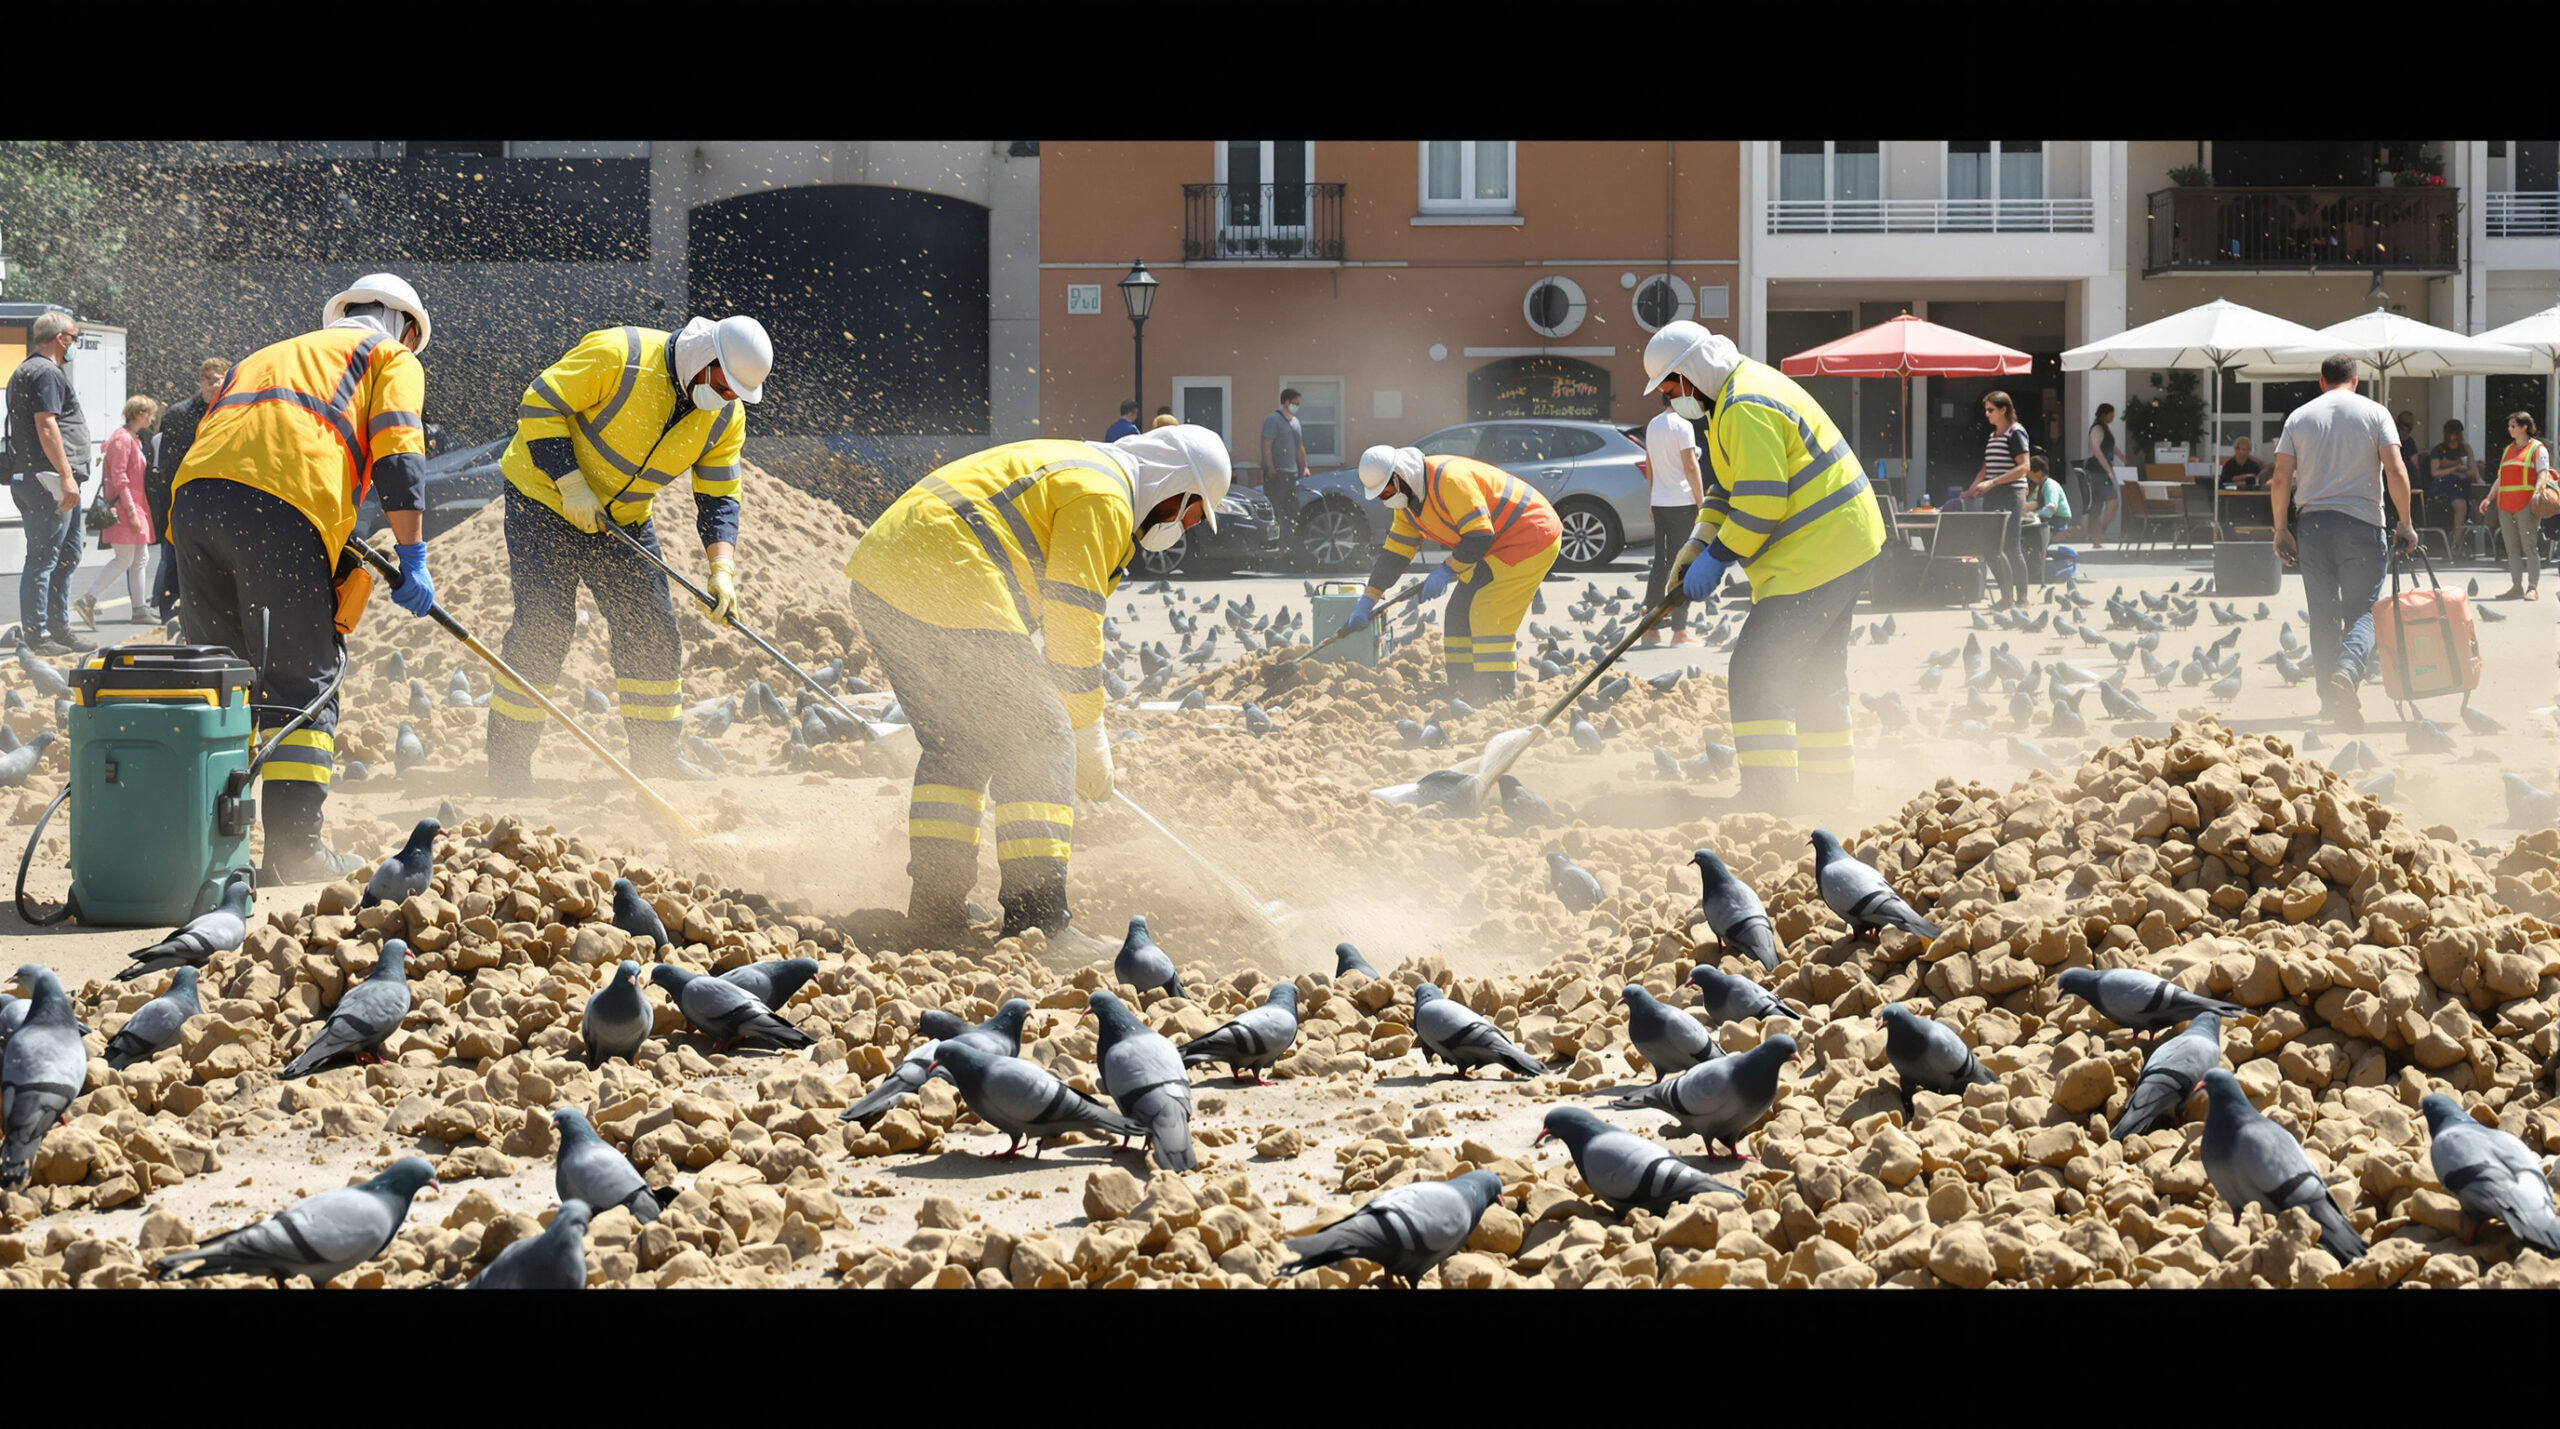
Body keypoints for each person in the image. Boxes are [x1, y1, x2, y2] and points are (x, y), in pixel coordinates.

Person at [843, 425, 1231, 948]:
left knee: (957, 745)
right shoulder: (1105, 497)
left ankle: (935, 908)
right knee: (1040, 740)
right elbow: (1073, 623)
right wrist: (1086, 735)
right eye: (1193, 513)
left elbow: (1056, 621)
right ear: (1174, 486)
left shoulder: (1085, 470)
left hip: (884, 575)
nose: (1187, 526)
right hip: (949, 575)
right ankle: (1039, 920)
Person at [169, 272, 441, 882]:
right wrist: (413, 554)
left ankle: (207, 849)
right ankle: (295, 854)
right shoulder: (386, 355)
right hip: (281, 505)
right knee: (301, 679)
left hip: (195, 505)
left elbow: (239, 445)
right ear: (407, 327)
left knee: (221, 677)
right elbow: (399, 452)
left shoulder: (267, 354)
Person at [485, 315, 772, 794]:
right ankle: (508, 766)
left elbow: (720, 495)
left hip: (623, 519)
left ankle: (658, 758)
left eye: (737, 395)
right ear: (705, 359)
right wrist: (571, 484)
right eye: (724, 387)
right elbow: (538, 403)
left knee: (653, 627)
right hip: (542, 497)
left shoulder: (725, 415)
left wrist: (722, 571)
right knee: (545, 625)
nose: (727, 399)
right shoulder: (620, 355)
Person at [1640, 320, 1885, 808]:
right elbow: (1727, 490)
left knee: (1756, 669)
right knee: (1818, 673)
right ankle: (1828, 793)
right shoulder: (1734, 397)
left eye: (1671, 387)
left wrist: (1719, 557)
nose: (1670, 400)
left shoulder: (1745, 405)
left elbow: (1761, 503)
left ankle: (1769, 795)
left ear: (1692, 371)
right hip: (1843, 542)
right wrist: (1698, 542)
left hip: (1820, 551)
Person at [2267, 354, 2418, 733]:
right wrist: (2406, 523)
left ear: (2322, 381)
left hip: (2313, 527)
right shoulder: (2375, 413)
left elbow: (2281, 479)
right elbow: (2396, 470)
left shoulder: (2299, 417)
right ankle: (2347, 674)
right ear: (2356, 380)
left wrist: (2280, 529)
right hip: (2362, 525)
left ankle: (2326, 698)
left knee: (2321, 614)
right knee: (2364, 611)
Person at [1341, 441, 1561, 701]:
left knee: (1487, 611)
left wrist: (1446, 571)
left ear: (1401, 475)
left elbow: (1479, 536)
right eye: (1380, 495)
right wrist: (1368, 600)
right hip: (1494, 544)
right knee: (1457, 611)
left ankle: (1497, 693)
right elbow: (1394, 555)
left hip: (1529, 535)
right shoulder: (1408, 507)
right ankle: (1463, 686)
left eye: (1387, 489)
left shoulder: (1450, 481)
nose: (1386, 498)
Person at [4, 311, 97, 654]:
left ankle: (58, 629)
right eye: (73, 338)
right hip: (50, 480)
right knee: (45, 557)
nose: (73, 345)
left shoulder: (24, 372)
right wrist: (67, 475)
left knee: (67, 553)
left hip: (40, 478)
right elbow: (46, 425)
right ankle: (39, 635)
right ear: (60, 338)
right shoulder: (45, 372)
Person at [149, 358, 231, 622]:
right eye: (210, 379)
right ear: (201, 381)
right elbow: (167, 461)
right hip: (183, 494)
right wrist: (177, 496)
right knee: (173, 554)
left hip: (219, 495)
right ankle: (167, 611)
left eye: (220, 379)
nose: (214, 384)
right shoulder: (179, 413)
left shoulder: (230, 411)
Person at [75, 395, 159, 628]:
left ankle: (139, 609)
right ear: (141, 414)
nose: (152, 418)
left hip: (132, 505)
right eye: (150, 414)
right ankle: (88, 599)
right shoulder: (123, 439)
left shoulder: (129, 438)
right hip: (127, 506)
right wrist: (131, 509)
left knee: (139, 558)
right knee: (125, 559)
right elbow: (120, 477)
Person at [1639, 395, 1705, 645]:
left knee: (1661, 564)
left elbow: (1649, 464)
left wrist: (1652, 497)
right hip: (1683, 504)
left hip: (1660, 502)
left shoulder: (1653, 425)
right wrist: (1701, 502)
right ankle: (1679, 630)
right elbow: (1690, 465)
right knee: (1683, 566)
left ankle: (1652, 628)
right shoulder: (1683, 425)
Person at [1964, 391, 2032, 610]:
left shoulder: (2016, 432)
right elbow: (1988, 466)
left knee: (2011, 547)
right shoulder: (1994, 436)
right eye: (1986, 409)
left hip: (2011, 494)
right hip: (1993, 495)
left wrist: (1992, 483)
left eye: (1991, 410)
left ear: (2004, 410)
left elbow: (2024, 467)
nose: (1987, 414)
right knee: (1990, 547)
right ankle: (2006, 596)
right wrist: (1974, 486)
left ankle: (2021, 598)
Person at [2480, 411, 2550, 600]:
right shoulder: (2508, 450)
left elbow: (2543, 473)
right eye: (2509, 426)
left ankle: (2532, 587)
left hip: (2526, 504)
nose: (2509, 429)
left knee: (2529, 546)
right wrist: (2489, 498)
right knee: (2511, 549)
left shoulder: (2537, 448)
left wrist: (2537, 493)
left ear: (2524, 427)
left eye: (2513, 426)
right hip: (2506, 504)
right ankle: (2516, 586)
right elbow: (2501, 477)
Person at [1259, 387, 1310, 562]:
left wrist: (1304, 467)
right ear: (1286, 402)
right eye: (1295, 403)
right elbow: (1266, 445)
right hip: (1277, 474)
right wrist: (1270, 467)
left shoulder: (1295, 422)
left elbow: (1299, 447)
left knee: (1292, 510)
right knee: (1276, 510)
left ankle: (1291, 546)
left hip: (1292, 473)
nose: (1297, 406)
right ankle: (1274, 546)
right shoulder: (1273, 420)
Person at [2428, 419, 2476, 557]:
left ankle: (2469, 543)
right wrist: (2454, 469)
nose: (2454, 438)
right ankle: (2455, 545)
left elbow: (2473, 472)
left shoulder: (2465, 449)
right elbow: (2435, 472)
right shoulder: (2439, 449)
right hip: (2445, 485)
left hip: (2463, 483)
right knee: (2460, 506)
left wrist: (2463, 472)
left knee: (2475, 504)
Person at [2020, 454, 2070, 586]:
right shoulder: (2039, 486)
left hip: (2057, 520)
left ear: (2038, 472)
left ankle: (2035, 572)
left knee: (2031, 536)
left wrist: (2034, 514)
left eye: (2030, 471)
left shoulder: (2050, 485)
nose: (2028, 474)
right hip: (2049, 518)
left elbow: (2051, 507)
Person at [2078, 402, 2121, 547]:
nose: (2113, 416)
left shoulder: (2105, 429)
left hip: (2101, 471)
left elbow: (2110, 446)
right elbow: (2096, 450)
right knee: (2109, 503)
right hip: (2097, 471)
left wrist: (2122, 457)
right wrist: (2108, 469)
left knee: (2100, 505)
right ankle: (2096, 534)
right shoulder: (2097, 428)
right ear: (2104, 414)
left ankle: (2096, 536)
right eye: (2111, 413)